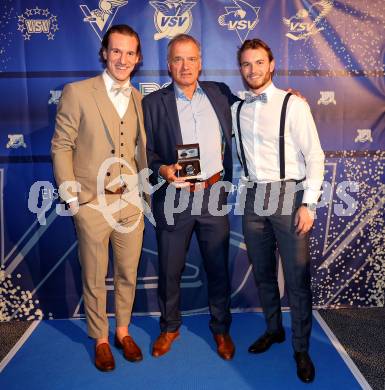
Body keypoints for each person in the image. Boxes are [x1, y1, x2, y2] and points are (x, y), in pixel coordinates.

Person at [51, 24, 149, 371]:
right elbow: (61, 145)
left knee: (127, 273)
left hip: (131, 204)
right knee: (94, 275)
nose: (123, 59)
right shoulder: (77, 92)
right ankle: (101, 338)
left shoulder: (140, 99)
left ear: (138, 59)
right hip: (92, 202)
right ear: (105, 53)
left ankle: (122, 331)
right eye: (116, 51)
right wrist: (73, 199)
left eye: (130, 53)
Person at [232, 39, 324, 383]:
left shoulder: (294, 105)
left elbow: (315, 156)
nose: (253, 70)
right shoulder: (237, 108)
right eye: (246, 64)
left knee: (297, 279)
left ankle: (301, 348)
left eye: (259, 62)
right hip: (254, 197)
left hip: (289, 196)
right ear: (240, 69)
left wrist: (308, 203)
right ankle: (274, 329)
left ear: (271, 65)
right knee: (263, 272)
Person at [142, 34, 239, 360]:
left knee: (218, 269)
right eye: (178, 59)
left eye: (192, 58)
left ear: (201, 62)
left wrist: (288, 97)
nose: (186, 66)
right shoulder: (152, 103)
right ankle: (169, 327)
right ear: (169, 65)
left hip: (212, 193)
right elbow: (148, 154)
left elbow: (251, 108)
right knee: (170, 270)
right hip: (175, 196)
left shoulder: (220, 93)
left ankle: (221, 328)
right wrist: (164, 170)